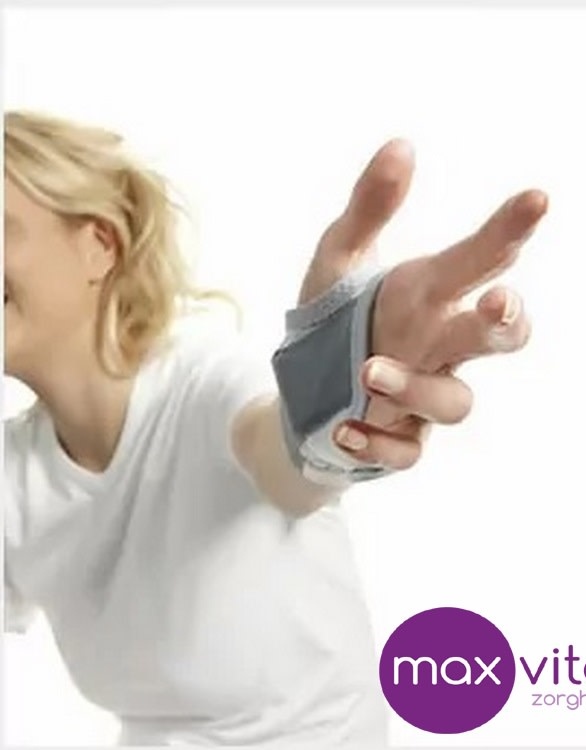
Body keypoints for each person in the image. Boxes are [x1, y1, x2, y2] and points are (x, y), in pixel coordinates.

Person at [3, 110, 548, 748]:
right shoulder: (17, 480)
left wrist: (339, 390)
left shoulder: (201, 382)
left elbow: (284, 454)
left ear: (99, 244)